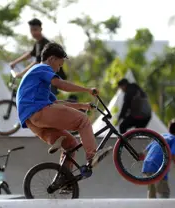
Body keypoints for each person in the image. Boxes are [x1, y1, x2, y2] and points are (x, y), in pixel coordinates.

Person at [16, 42, 112, 173]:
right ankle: (92, 156)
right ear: (52, 59)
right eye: (59, 65)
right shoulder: (41, 68)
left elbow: (57, 104)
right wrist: (87, 90)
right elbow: (61, 84)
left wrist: (82, 105)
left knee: (70, 144)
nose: (58, 70)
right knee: (82, 120)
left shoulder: (37, 83)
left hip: (33, 121)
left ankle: (63, 180)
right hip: (39, 111)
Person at [9, 18, 67, 95]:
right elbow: (30, 54)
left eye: (35, 29)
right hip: (45, 75)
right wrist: (15, 62)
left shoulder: (45, 44)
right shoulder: (37, 44)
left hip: (53, 76)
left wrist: (21, 73)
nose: (33, 32)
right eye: (31, 30)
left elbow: (37, 62)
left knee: (48, 102)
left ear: (41, 29)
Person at [141, 119, 175, 198]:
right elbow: (173, 156)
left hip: (147, 166)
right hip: (158, 167)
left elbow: (146, 150)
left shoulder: (161, 136)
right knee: (164, 192)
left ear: (168, 129)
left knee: (151, 192)